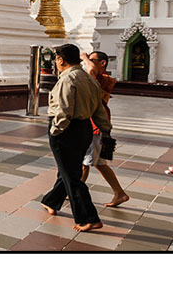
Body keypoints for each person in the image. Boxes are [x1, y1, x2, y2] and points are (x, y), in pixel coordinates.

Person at [40, 43, 111, 232]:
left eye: (56, 59)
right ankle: (51, 201)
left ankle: (89, 217)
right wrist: (106, 130)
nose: (56, 62)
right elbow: (99, 110)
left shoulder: (67, 80)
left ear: (61, 60)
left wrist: (56, 130)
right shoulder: (90, 80)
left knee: (72, 176)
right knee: (68, 169)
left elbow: (64, 111)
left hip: (67, 131)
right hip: (85, 128)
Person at [79, 50, 129, 207]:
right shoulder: (97, 78)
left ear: (103, 63)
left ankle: (72, 191)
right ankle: (119, 193)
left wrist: (84, 57)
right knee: (99, 163)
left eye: (93, 60)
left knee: (84, 163)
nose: (89, 63)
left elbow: (92, 70)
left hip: (96, 125)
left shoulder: (104, 79)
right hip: (93, 122)